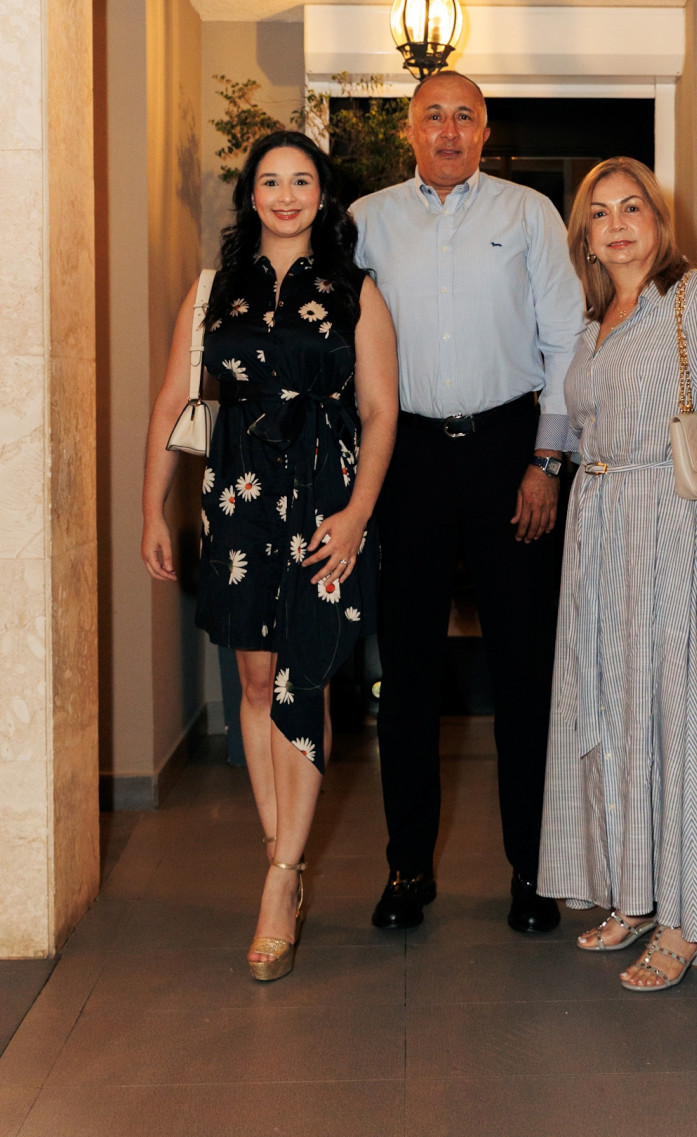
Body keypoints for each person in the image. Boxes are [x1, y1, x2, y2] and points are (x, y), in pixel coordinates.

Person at [141, 131, 398, 981]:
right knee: (255, 683)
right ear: (250, 195)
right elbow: (176, 402)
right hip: (239, 501)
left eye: (301, 180)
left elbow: (380, 410)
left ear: (322, 195)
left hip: (327, 501)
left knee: (305, 681)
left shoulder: (356, 290)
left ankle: (280, 878)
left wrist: (359, 514)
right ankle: (280, 850)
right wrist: (153, 505)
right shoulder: (214, 290)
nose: (285, 194)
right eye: (269, 181)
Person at [350, 71, 584, 933]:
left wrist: (545, 462)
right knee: (405, 672)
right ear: (410, 129)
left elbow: (565, 339)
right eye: (432, 116)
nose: (448, 131)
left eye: (466, 118)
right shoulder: (367, 221)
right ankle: (408, 868)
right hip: (404, 455)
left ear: (487, 132)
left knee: (524, 671)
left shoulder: (528, 215)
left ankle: (533, 869)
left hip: (508, 450)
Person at [537, 156, 697, 990]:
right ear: (587, 239)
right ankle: (635, 893)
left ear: (659, 222)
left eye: (634, 206)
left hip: (670, 529)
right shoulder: (597, 322)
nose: (619, 222)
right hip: (598, 536)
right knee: (616, 709)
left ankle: (682, 920)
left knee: (672, 717)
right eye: (601, 213)